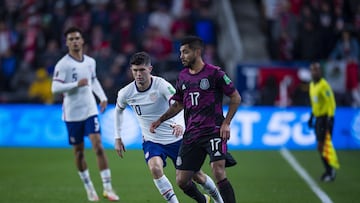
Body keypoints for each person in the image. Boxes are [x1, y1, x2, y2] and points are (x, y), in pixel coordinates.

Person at [114, 51, 224, 203]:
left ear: (150, 69)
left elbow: (179, 105)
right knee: (155, 168)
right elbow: (118, 111)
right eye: (135, 70)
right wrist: (118, 137)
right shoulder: (125, 93)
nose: (138, 74)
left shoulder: (162, 85)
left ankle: (218, 200)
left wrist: (179, 123)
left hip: (177, 139)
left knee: (196, 175)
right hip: (152, 141)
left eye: (142, 70)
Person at [151, 36, 241, 203]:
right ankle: (204, 201)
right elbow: (178, 105)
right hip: (192, 134)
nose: (181, 56)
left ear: (197, 52)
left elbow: (236, 97)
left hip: (213, 130)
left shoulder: (215, 73)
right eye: (180, 52)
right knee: (182, 180)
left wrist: (226, 123)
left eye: (185, 52)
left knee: (218, 170)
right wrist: (160, 120)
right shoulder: (183, 76)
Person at [51, 26, 119, 201]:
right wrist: (75, 85)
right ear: (67, 43)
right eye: (71, 39)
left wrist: (102, 97)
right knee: (79, 152)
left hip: (90, 109)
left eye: (77, 38)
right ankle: (89, 188)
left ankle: (108, 188)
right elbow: (55, 88)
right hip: (72, 114)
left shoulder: (90, 62)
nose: (74, 41)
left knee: (98, 146)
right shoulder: (63, 64)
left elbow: (93, 80)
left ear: (82, 41)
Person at [307, 62, 337, 182]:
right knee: (320, 146)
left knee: (323, 146)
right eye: (314, 70)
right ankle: (328, 170)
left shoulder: (324, 85)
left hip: (326, 118)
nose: (316, 72)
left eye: (317, 70)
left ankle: (331, 171)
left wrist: (330, 118)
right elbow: (316, 104)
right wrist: (312, 116)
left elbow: (331, 102)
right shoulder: (312, 85)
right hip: (318, 118)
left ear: (320, 72)